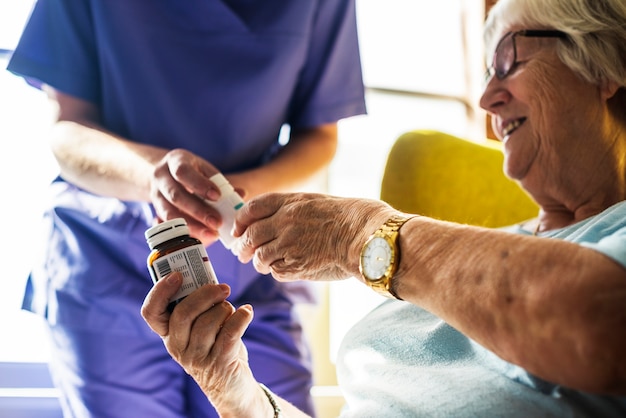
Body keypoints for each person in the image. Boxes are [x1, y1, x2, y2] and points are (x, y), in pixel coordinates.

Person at [141, 0, 626, 416]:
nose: (485, 97)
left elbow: (602, 326)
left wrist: (356, 234)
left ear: (605, 64)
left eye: (508, 61)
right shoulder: (471, 259)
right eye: (484, 73)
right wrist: (235, 392)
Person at [6, 1, 366, 416]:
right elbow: (67, 130)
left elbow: (320, 137)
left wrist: (230, 196)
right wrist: (153, 176)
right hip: (108, 260)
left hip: (250, 272)